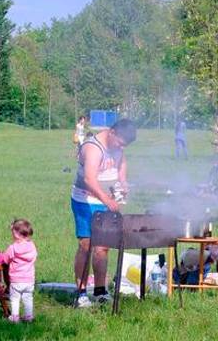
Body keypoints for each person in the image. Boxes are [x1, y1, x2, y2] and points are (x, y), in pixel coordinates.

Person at [71, 119, 137, 307]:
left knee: (103, 247)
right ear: (112, 132)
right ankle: (81, 292)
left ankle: (100, 290)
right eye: (120, 143)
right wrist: (107, 200)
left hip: (106, 200)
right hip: (86, 200)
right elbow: (89, 179)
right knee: (87, 244)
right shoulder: (92, 148)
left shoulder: (118, 146)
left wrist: (123, 183)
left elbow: (121, 163)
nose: (120, 147)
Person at [1, 219, 38, 323]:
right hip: (29, 279)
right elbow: (35, 257)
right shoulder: (32, 246)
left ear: (16, 234)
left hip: (16, 280)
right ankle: (28, 316)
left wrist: (2, 254)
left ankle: (15, 317)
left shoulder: (13, 248)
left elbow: (5, 260)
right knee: (28, 298)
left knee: (15, 299)